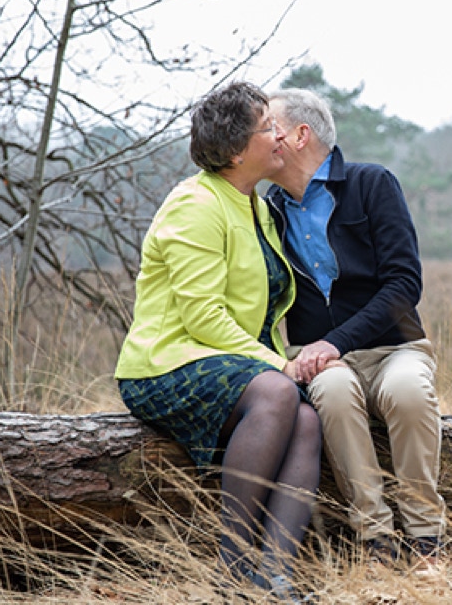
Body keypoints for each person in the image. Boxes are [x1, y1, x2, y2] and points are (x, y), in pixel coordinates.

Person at [115, 81, 326, 600]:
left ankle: (274, 576)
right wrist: (277, 366)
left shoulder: (253, 205)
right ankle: (232, 572)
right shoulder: (196, 205)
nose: (279, 134)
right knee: (280, 393)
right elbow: (205, 317)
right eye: (266, 128)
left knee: (305, 417)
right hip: (166, 365)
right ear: (236, 151)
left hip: (229, 364)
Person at [264, 88, 446, 569]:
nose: (263, 138)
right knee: (337, 394)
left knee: (408, 391)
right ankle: (376, 540)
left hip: (396, 348)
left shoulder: (372, 184)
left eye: (271, 128)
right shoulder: (267, 210)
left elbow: (405, 284)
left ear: (301, 135)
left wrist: (336, 341)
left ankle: (427, 537)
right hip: (316, 357)